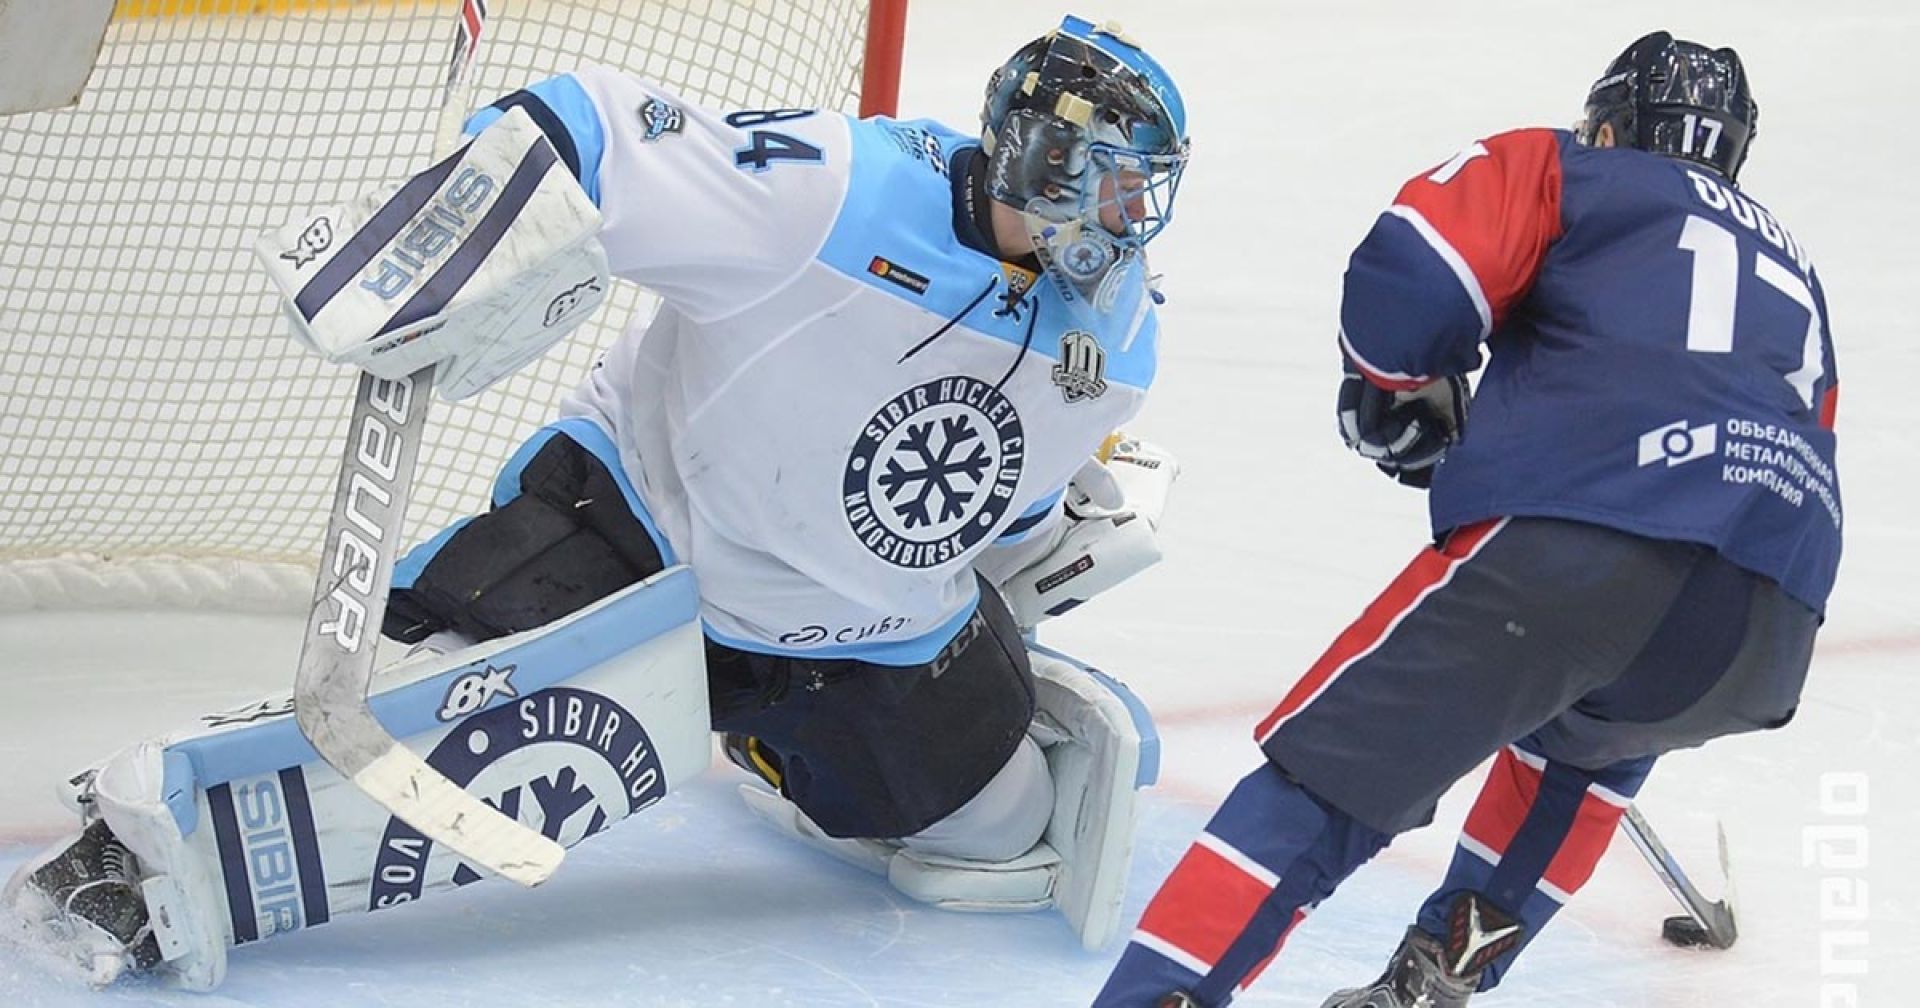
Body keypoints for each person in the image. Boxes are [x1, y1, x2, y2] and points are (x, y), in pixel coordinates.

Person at [6, 15, 1187, 990]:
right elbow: (598, 130)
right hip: (644, 541)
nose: (1123, 223)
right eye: (1105, 185)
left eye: (1145, 196)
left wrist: (1060, 533)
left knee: (997, 836)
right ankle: (141, 844)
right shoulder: (838, 189)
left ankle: (781, 745)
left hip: (868, 641)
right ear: (1036, 156)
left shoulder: (1123, 330)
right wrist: (457, 225)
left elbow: (1009, 494)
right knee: (417, 720)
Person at [1095, 30, 1839, 1008]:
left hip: (1579, 553)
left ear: (1610, 125)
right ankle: (1429, 981)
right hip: (1771, 619)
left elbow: (1411, 274)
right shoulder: (1795, 267)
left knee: (1328, 777)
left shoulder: (1574, 171)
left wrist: (1403, 388)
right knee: (1587, 748)